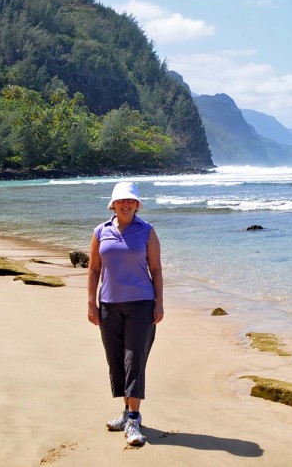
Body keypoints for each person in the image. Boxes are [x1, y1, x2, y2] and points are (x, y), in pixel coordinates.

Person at [87, 181, 164, 447]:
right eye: (121, 200)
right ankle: (126, 412)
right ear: (113, 204)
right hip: (109, 305)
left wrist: (159, 303)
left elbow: (156, 269)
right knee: (117, 361)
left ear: (137, 204)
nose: (126, 204)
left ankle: (133, 418)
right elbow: (94, 269)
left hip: (141, 304)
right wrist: (91, 303)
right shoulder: (100, 231)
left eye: (130, 200)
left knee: (135, 360)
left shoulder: (147, 231)